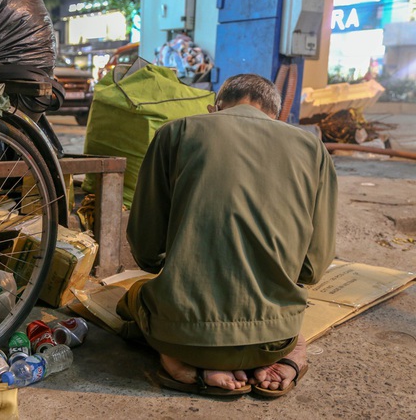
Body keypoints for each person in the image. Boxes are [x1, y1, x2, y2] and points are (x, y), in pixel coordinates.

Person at [116, 73, 338, 397]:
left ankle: (181, 361)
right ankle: (292, 351)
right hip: (274, 338)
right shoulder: (312, 148)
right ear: (275, 115)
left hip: (183, 335)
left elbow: (147, 251)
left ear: (215, 108)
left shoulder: (175, 132)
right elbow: (313, 268)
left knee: (136, 296)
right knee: (290, 314)